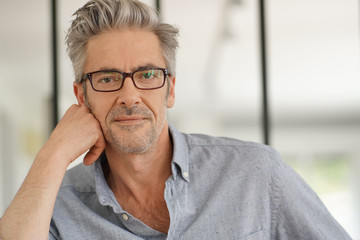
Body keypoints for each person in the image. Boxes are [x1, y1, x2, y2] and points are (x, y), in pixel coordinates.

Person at [0, 0, 352, 239]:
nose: (129, 95)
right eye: (107, 78)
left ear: (169, 90)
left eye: (148, 74)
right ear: (81, 97)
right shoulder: (58, 206)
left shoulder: (258, 173)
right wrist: (53, 154)